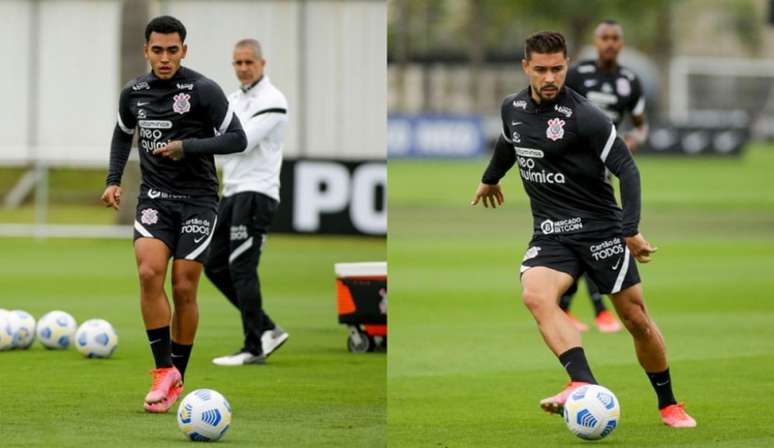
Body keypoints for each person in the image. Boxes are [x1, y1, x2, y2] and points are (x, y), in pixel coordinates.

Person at [470, 31, 696, 428]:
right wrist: (490, 179)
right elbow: (510, 144)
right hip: (551, 233)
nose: (549, 77)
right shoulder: (513, 108)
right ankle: (581, 383)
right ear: (526, 67)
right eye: (540, 69)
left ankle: (669, 404)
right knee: (535, 295)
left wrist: (630, 229)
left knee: (636, 320)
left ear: (567, 66)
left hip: (601, 231)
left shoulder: (586, 116)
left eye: (557, 68)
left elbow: (627, 168)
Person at [101, 15, 247, 413]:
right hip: (155, 198)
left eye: (172, 50)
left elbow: (238, 138)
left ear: (184, 51)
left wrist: (188, 146)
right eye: (157, 50)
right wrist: (114, 179)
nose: (165, 58)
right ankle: (162, 371)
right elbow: (121, 133)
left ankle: (176, 375)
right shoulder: (133, 93)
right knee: (149, 272)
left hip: (198, 199)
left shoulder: (203, 90)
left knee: (184, 286)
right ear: (147, 50)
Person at [558, 20, 650, 334]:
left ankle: (573, 308)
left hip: (606, 167)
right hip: (575, 168)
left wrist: (634, 139)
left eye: (615, 38)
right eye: (604, 38)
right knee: (593, 232)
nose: (609, 43)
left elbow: (640, 124)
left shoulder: (629, 81)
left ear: (621, 44)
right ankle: (595, 310)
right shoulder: (576, 75)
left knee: (592, 233)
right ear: (596, 42)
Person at [205, 39, 289, 366]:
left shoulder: (273, 99)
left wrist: (193, 145)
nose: (242, 68)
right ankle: (267, 327)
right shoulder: (232, 99)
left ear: (262, 63)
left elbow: (241, 142)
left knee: (241, 266)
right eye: (237, 62)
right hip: (233, 191)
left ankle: (254, 347)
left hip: (257, 192)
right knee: (214, 264)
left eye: (248, 62)